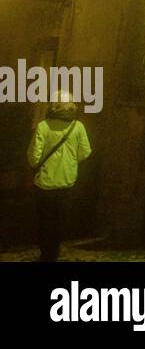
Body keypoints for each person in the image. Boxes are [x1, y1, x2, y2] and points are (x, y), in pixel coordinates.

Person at [27, 92, 92, 261]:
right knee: (59, 218)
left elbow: (34, 158)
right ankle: (55, 250)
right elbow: (86, 151)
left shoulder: (43, 126)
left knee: (45, 220)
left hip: (45, 183)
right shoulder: (78, 126)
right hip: (68, 179)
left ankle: (47, 254)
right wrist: (70, 161)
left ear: (53, 105)